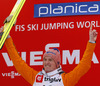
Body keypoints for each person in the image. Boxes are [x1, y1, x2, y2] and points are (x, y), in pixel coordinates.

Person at [0, 16, 98, 86]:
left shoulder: (65, 79)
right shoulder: (35, 77)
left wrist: (91, 42)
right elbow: (18, 63)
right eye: (45, 59)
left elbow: (84, 65)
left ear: (57, 63)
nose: (46, 62)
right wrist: (7, 38)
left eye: (50, 60)